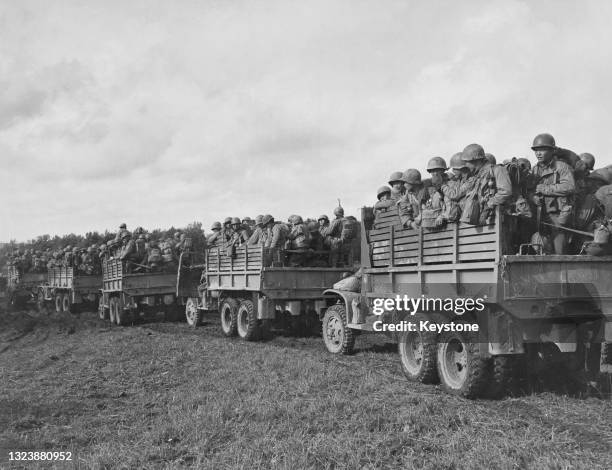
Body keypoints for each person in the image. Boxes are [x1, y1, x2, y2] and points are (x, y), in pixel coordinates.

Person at [527, 133, 576, 254]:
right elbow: (530, 190)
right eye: (536, 150)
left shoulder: (561, 167)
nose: (538, 153)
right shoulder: (535, 169)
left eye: (542, 150)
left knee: (560, 252)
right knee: (540, 247)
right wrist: (533, 198)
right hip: (541, 215)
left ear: (551, 151)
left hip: (559, 215)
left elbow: (570, 187)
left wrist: (545, 189)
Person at [461, 143, 512, 224]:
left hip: (497, 220)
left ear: (476, 160)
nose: (466, 165)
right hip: (481, 220)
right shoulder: (477, 176)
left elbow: (505, 191)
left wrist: (489, 204)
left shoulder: (498, 170)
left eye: (467, 162)